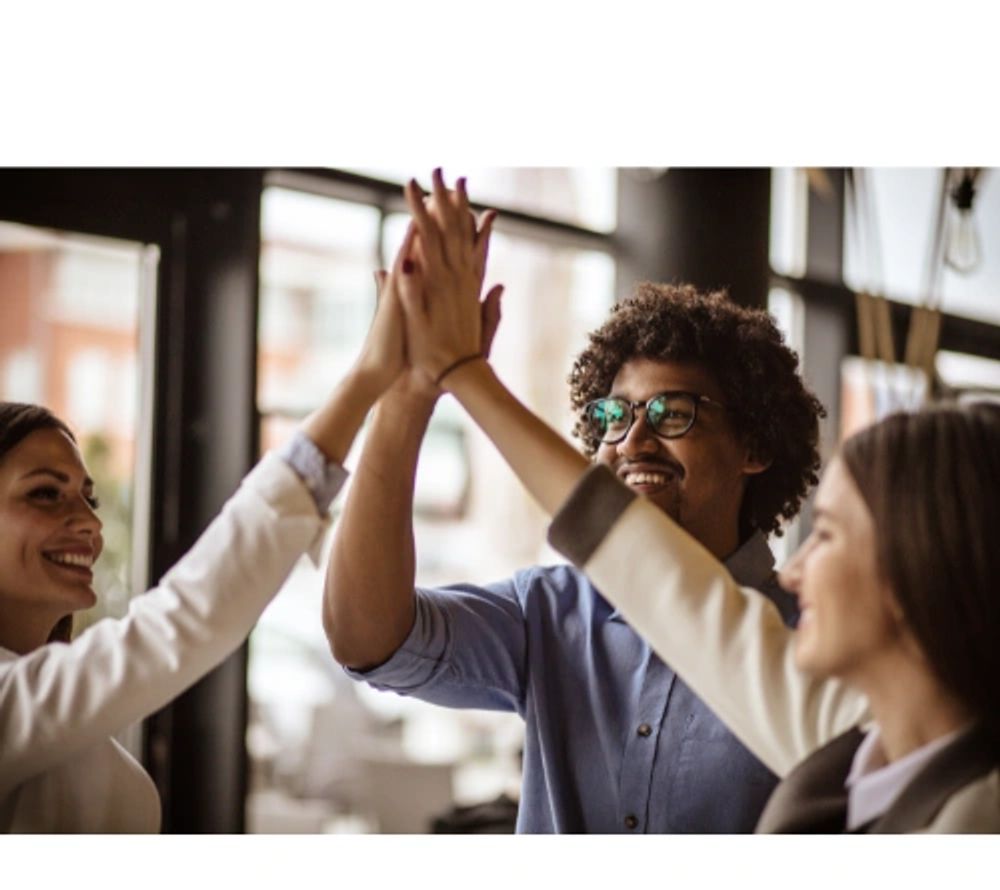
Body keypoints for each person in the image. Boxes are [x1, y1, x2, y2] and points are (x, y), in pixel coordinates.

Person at [394, 171, 1000, 834]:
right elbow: (672, 592)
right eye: (615, 418)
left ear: (924, 570)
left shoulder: (968, 812)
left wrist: (461, 372)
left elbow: (667, 586)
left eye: (828, 536)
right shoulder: (849, 733)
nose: (793, 571)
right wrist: (447, 378)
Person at [323, 169, 826, 833]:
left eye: (673, 412)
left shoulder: (817, 640)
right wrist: (410, 392)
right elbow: (367, 640)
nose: (633, 438)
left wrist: (462, 371)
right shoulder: (549, 613)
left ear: (754, 446)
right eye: (614, 414)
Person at [0, 250, 417, 833]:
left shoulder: (65, 717)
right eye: (46, 494)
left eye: (88, 499)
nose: (89, 524)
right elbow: (182, 622)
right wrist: (369, 378)